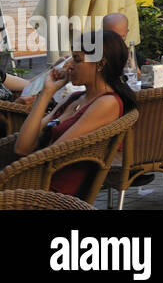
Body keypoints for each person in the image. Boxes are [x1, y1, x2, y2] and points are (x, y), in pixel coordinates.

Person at [12, 29, 136, 196]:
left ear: (100, 64)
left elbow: (51, 157)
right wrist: (46, 92)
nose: (68, 66)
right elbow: (22, 147)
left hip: (48, 193)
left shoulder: (107, 103)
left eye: (77, 60)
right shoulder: (75, 98)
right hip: (30, 182)